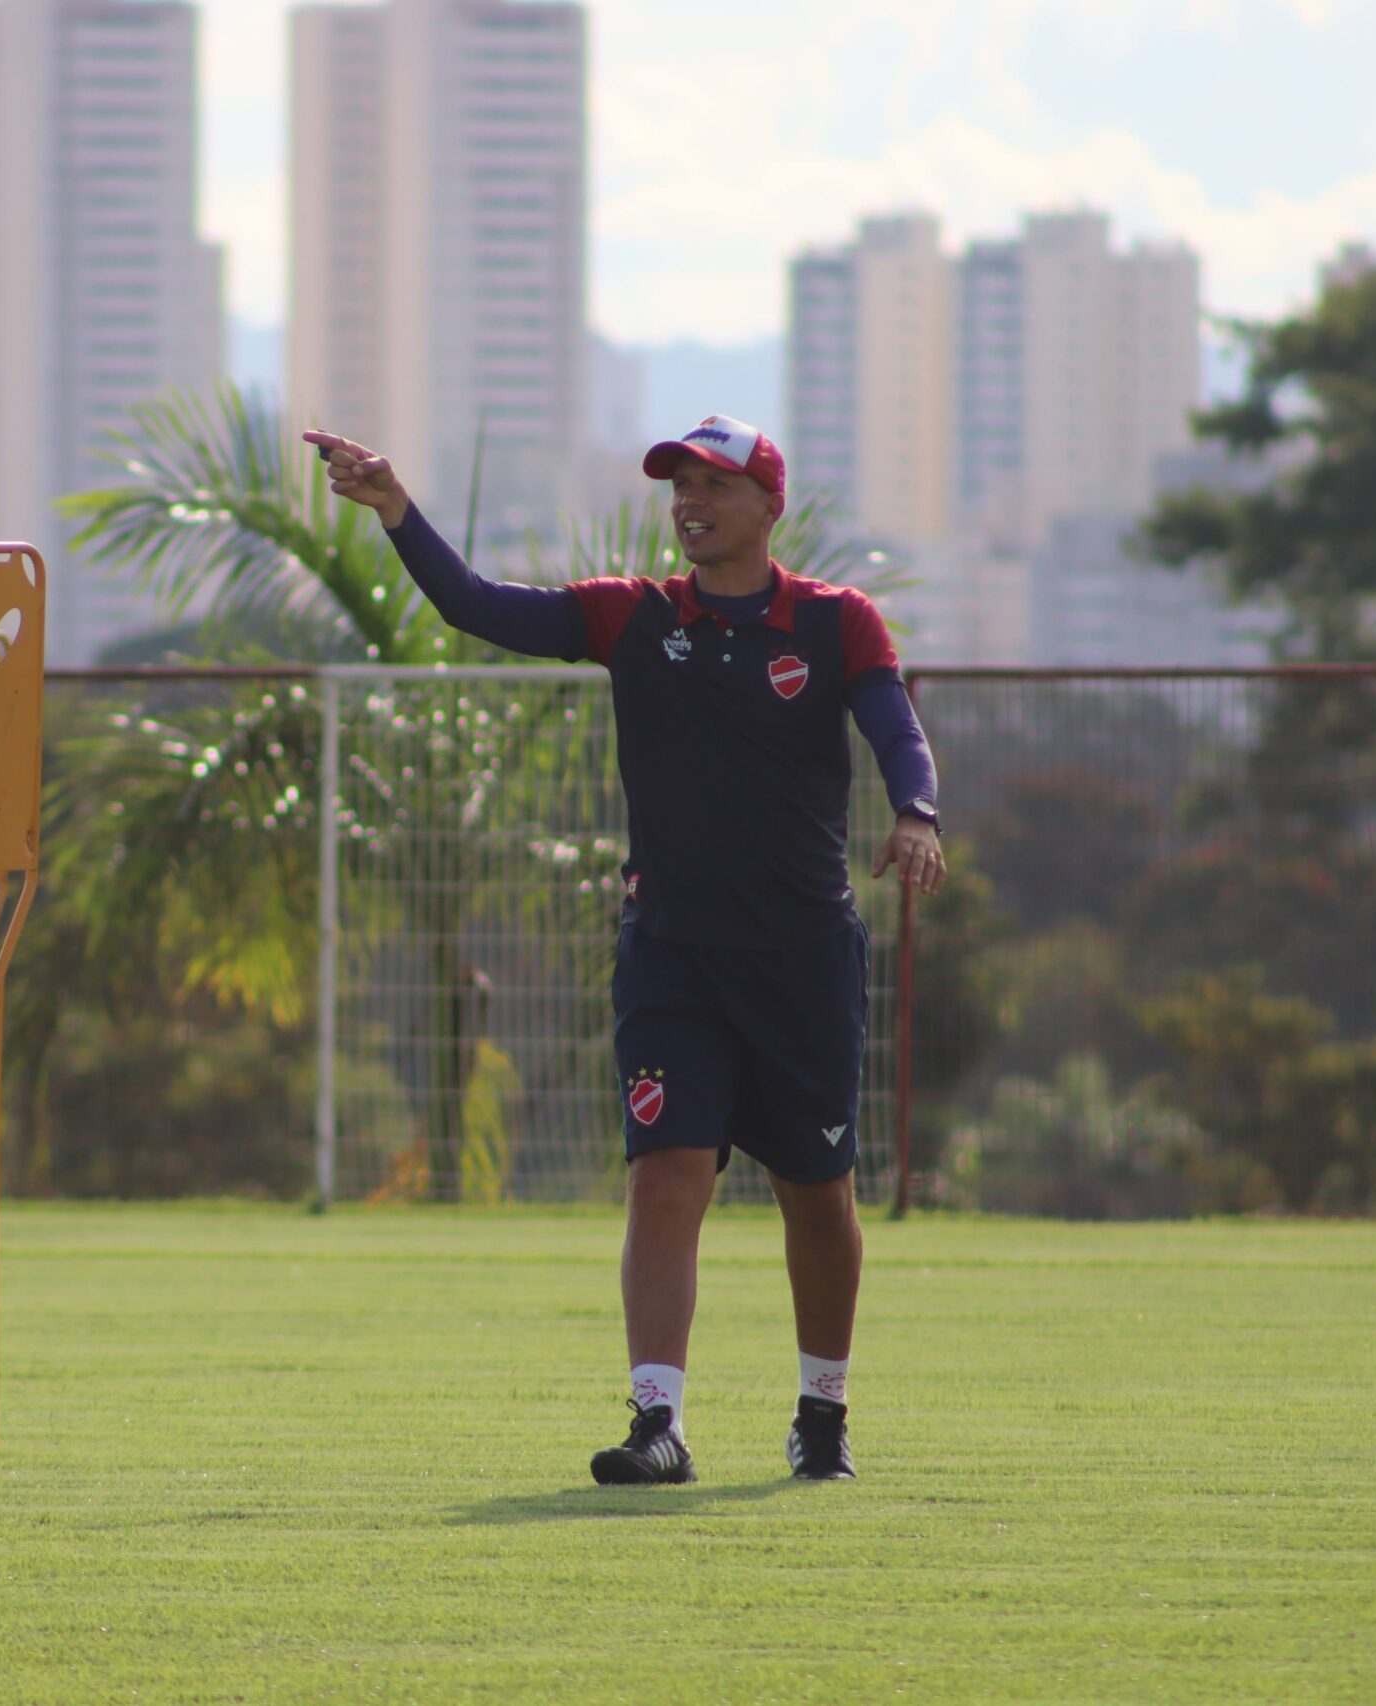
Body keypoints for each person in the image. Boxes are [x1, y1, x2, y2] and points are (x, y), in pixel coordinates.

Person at [304, 417, 943, 1485]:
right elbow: (476, 606)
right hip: (672, 956)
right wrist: (395, 509)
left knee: (816, 1192)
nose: (691, 501)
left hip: (801, 959)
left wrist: (917, 809)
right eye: (678, 484)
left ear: (768, 504)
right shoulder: (634, 615)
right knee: (664, 1175)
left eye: (714, 484)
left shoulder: (836, 621)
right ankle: (659, 1422)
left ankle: (822, 1412)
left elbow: (895, 726)